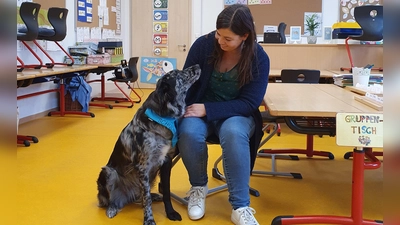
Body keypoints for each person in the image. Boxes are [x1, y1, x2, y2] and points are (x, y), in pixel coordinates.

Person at [177, 4, 270, 225]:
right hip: (199, 110)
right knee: (188, 131)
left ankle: (240, 206)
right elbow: (186, 82)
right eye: (219, 34)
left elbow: (249, 102)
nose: (220, 41)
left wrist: (208, 109)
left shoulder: (259, 57)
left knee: (233, 131)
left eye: (228, 39)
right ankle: (198, 188)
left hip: (237, 113)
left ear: (244, 36)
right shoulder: (203, 45)